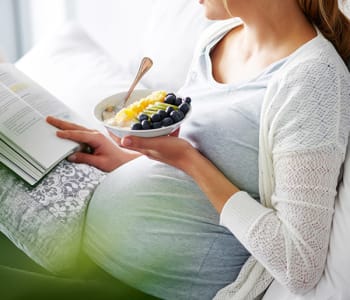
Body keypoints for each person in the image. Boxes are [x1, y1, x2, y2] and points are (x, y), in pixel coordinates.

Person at [1, 0, 350, 299]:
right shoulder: (218, 38)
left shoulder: (313, 81)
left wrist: (189, 160)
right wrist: (128, 157)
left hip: (141, 287)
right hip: (87, 252)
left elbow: (299, 265)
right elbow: (208, 153)